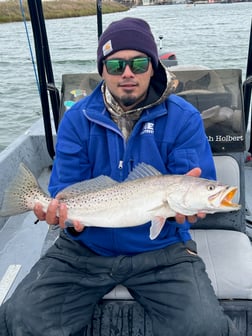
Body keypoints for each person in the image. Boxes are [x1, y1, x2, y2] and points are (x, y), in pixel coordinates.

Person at [0, 17, 240, 336]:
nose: (128, 73)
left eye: (139, 63)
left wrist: (192, 205)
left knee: (205, 327)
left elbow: (197, 184)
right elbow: (65, 189)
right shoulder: (76, 119)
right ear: (103, 70)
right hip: (84, 249)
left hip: (162, 251)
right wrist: (59, 213)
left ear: (153, 67)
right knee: (22, 317)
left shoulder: (184, 118)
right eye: (116, 65)